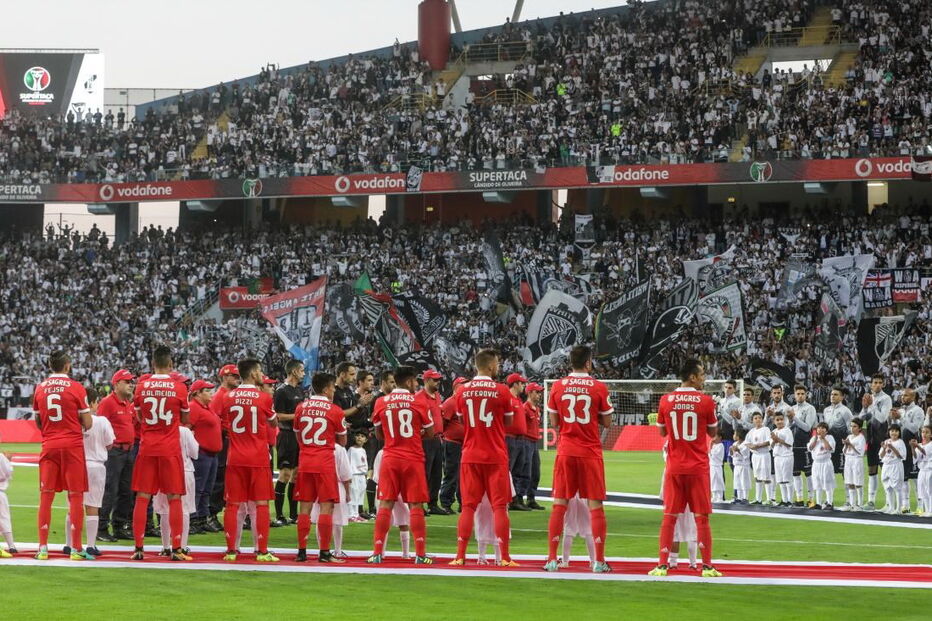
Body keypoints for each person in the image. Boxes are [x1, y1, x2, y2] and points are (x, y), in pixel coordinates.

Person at [543, 345, 613, 574]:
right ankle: (599, 562)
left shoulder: (557, 386)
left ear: (570, 362)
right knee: (595, 506)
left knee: (559, 504)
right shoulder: (598, 387)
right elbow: (607, 422)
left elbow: (554, 422)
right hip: (590, 452)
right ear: (588, 363)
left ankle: (552, 560)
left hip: (566, 450)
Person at [649, 358, 721, 578]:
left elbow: (662, 433)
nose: (704, 378)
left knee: (669, 516)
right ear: (692, 377)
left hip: (675, 466)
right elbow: (713, 433)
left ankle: (662, 565)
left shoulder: (666, 400)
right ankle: (707, 567)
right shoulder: (706, 401)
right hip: (698, 467)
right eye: (702, 375)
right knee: (702, 518)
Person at [449, 349, 518, 567]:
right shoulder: (502, 390)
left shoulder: (462, 392)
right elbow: (508, 422)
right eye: (497, 364)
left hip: (470, 453)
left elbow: (462, 420)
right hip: (495, 454)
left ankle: (460, 556)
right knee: (499, 506)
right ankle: (505, 557)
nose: (499, 367)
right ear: (490, 366)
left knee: (468, 506)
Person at [368, 365, 435, 565]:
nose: (417, 384)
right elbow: (430, 433)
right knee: (415, 504)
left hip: (390, 456)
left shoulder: (381, 402)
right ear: (408, 381)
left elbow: (379, 434)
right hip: (412, 457)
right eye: (415, 381)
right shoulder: (419, 402)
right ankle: (420, 554)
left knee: (385, 503)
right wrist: (416, 434)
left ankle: (377, 552)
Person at [130, 346, 191, 561]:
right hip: (169, 448)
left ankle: (138, 548)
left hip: (148, 447)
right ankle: (176, 548)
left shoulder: (141, 386)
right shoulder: (179, 388)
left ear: (152, 363)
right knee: (175, 498)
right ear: (171, 364)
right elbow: (185, 420)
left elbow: (138, 417)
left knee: (142, 497)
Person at [33, 350, 93, 561]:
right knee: (76, 496)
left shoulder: (39, 388)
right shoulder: (76, 388)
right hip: (72, 446)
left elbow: (39, 421)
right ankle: (76, 549)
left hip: (49, 445)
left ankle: (42, 548)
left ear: (50, 366)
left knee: (46, 496)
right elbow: (88, 423)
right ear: (67, 365)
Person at [218, 358, 279, 563]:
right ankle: (262, 551)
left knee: (232, 504)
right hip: (258, 457)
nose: (262, 375)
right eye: (260, 371)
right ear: (253, 374)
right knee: (261, 504)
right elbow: (273, 422)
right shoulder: (264, 398)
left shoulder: (228, 397)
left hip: (235, 457)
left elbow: (224, 420)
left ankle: (231, 551)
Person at [292, 372, 347, 563]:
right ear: (326, 389)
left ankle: (301, 551)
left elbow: (298, 436)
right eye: (332, 387)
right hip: (324, 462)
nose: (334, 390)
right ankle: (324, 552)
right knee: (327, 506)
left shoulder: (301, 408)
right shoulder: (335, 410)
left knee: (304, 507)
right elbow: (342, 439)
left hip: (306, 460)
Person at [64, 386, 114, 558]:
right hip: (96, 465)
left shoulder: (72, 420)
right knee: (93, 506)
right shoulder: (102, 421)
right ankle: (91, 545)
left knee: (73, 506)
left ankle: (68, 544)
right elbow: (109, 443)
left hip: (75, 464)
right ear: (92, 403)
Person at [96, 369, 136, 542]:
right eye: (127, 381)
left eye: (131, 381)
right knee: (110, 490)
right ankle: (101, 528)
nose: (130, 384)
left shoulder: (127, 403)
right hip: (114, 452)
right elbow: (99, 426)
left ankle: (119, 526)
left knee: (126, 491)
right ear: (117, 383)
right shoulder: (107, 403)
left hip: (127, 451)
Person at [154, 421, 198, 559]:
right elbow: (195, 453)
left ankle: (166, 546)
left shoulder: (157, 429)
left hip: (162, 470)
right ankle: (181, 546)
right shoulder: (184, 431)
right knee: (183, 509)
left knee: (164, 510)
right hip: (184, 470)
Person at [272, 359, 305, 527]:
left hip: (298, 436)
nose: (304, 374)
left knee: (296, 476)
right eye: (302, 371)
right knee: (285, 474)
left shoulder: (300, 390)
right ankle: (279, 515)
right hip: (285, 435)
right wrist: (297, 416)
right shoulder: (281, 391)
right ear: (294, 372)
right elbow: (277, 415)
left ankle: (293, 514)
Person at [208, 364, 240, 531]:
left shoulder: (229, 395)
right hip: (223, 439)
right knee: (219, 479)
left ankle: (214, 512)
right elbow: (214, 420)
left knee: (225, 478)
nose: (237, 378)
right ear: (225, 377)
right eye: (234, 376)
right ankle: (210, 514)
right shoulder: (220, 396)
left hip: (229, 439)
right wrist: (227, 429)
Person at [187, 380, 220, 534]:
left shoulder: (207, 407)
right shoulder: (193, 407)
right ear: (198, 393)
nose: (211, 393)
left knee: (206, 489)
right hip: (202, 454)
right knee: (198, 488)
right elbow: (187, 429)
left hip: (212, 454)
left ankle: (202, 518)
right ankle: (193, 518)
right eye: (207, 390)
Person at [311, 442, 352, 559]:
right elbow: (345, 474)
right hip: (336, 485)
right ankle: (338, 550)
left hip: (319, 485)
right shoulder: (339, 449)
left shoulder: (316, 446)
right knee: (337, 521)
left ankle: (321, 549)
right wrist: (348, 493)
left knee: (320, 518)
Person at [371, 449, 413, 559]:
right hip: (387, 488)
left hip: (393, 489)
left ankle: (404, 554)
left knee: (402, 521)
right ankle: (381, 553)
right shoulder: (382, 453)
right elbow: (377, 474)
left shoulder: (384, 452)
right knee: (385, 522)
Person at [415, 369, 446, 515]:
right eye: (435, 379)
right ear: (426, 380)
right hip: (425, 440)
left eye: (438, 379)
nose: (438, 382)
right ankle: (419, 504)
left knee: (436, 474)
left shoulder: (437, 396)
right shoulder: (419, 397)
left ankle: (433, 503)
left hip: (437, 439)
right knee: (424, 473)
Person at [860, 374, 892, 510]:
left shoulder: (886, 399)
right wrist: (864, 407)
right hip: (872, 439)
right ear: (871, 384)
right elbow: (862, 418)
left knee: (885, 472)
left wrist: (871, 405)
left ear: (883, 384)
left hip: (883, 439)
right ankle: (871, 502)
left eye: (880, 382)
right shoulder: (869, 397)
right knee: (872, 470)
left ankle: (889, 503)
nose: (877, 384)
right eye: (875, 382)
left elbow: (882, 418)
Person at [439, 376, 467, 513]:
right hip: (452, 444)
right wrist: (446, 436)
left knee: (465, 475)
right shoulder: (450, 403)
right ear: (456, 387)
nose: (466, 387)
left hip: (464, 444)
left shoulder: (464, 402)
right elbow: (442, 422)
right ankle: (446, 502)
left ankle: (463, 502)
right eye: (463, 384)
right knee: (451, 474)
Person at [788, 384, 819, 507]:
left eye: (802, 393)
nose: (800, 396)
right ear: (794, 395)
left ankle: (811, 499)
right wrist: (790, 420)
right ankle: (799, 498)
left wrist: (794, 418)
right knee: (795, 473)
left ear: (806, 395)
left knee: (808, 473)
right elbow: (787, 427)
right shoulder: (791, 408)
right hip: (793, 445)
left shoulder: (810, 408)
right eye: (798, 394)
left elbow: (807, 428)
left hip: (805, 445)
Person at [504, 372, 530, 511]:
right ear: (515, 384)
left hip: (520, 440)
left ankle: (514, 500)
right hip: (509, 439)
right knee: (508, 470)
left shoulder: (518, 400)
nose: (524, 386)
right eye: (522, 383)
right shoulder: (507, 399)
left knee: (518, 470)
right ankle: (506, 499)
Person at [899, 388, 925, 513]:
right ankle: (905, 505)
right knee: (904, 479)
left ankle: (920, 506)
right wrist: (893, 419)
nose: (903, 398)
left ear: (913, 397)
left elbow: (915, 428)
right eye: (902, 395)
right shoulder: (900, 410)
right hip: (902, 450)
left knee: (916, 479)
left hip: (913, 448)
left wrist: (901, 418)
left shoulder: (918, 410)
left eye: (906, 396)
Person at [822, 386, 853, 483]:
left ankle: (849, 497)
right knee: (828, 470)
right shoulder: (826, 410)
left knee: (845, 471)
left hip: (840, 444)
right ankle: (829, 496)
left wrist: (848, 442)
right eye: (831, 394)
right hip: (829, 445)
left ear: (842, 397)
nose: (832, 396)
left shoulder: (846, 411)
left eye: (836, 394)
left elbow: (851, 429)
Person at [523, 382, 545, 510]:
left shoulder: (537, 410)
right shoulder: (524, 408)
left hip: (534, 443)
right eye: (537, 392)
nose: (539, 395)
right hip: (526, 442)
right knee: (525, 472)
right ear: (530, 393)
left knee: (536, 472)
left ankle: (531, 498)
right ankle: (519, 498)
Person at [559, 494, 595, 568]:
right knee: (588, 529)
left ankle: (565, 561)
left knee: (568, 527)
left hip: (571, 494)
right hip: (584, 495)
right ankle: (593, 561)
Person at [807, 422, 836, 510]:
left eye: (823, 428)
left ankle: (829, 503)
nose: (820, 430)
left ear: (826, 431)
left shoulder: (830, 438)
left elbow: (830, 448)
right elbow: (810, 448)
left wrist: (823, 439)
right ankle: (819, 503)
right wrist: (816, 439)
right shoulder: (813, 438)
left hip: (826, 463)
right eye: (819, 428)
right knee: (817, 483)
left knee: (827, 483)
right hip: (816, 464)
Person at [746, 412, 773, 505]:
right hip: (755, 456)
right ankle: (758, 499)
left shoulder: (766, 429)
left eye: (759, 418)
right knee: (757, 477)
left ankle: (769, 498)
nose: (758, 419)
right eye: (755, 418)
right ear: (752, 420)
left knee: (766, 477)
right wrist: (751, 446)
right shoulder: (752, 431)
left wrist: (758, 445)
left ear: (762, 419)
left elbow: (769, 441)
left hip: (764, 455)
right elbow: (747, 442)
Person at [878, 424, 906, 515]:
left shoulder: (900, 442)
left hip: (896, 465)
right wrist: (884, 448)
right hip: (886, 465)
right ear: (889, 432)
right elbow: (881, 455)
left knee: (897, 487)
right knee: (887, 487)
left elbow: (901, 456)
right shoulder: (886, 441)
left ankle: (898, 509)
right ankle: (890, 507)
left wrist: (892, 447)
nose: (894, 433)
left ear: (899, 433)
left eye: (896, 431)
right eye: (892, 431)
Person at [841, 419, 867, 511]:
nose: (852, 428)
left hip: (857, 460)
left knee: (858, 482)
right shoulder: (849, 436)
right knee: (850, 482)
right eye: (851, 426)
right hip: (848, 460)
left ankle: (860, 504)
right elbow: (844, 451)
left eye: (855, 426)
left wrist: (850, 444)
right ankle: (852, 504)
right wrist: (846, 444)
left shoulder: (861, 438)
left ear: (859, 428)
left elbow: (861, 452)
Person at [770, 412, 794, 506]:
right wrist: (774, 441)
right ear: (774, 421)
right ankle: (784, 500)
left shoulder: (787, 430)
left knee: (787, 479)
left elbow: (789, 444)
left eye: (781, 419)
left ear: (784, 420)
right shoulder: (774, 431)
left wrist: (778, 439)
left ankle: (790, 500)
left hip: (786, 456)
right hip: (777, 457)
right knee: (780, 480)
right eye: (777, 420)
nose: (780, 421)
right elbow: (771, 446)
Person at [347, 433, 368, 521]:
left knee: (359, 496)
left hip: (362, 476)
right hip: (354, 475)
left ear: (365, 440)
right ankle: (350, 515)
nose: (359, 437)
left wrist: (366, 476)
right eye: (358, 435)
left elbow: (364, 463)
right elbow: (348, 462)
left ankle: (356, 514)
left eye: (362, 436)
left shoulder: (363, 450)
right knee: (353, 495)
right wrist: (348, 475)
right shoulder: (351, 449)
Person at [912, 425, 932, 515]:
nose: (924, 434)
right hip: (922, 470)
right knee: (923, 491)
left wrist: (917, 446)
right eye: (923, 432)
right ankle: (927, 510)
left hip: (930, 470)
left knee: (930, 490)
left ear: (931, 435)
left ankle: (931, 510)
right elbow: (915, 458)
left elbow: (926, 453)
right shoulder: (919, 445)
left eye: (927, 432)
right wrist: (913, 447)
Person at [0, 436, 14, 557]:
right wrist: (7, 460)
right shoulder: (1, 457)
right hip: (0, 492)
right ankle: (11, 546)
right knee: (4, 518)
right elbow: (8, 472)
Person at [729, 428, 751, 504]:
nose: (733, 435)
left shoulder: (745, 444)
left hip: (743, 465)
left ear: (739, 436)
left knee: (744, 481)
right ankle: (739, 497)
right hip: (736, 465)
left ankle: (745, 498)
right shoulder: (734, 444)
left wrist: (738, 450)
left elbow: (746, 455)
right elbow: (732, 455)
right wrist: (731, 451)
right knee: (737, 482)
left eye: (735, 434)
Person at [708, 429, 725, 503]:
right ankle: (714, 496)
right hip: (712, 465)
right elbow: (709, 455)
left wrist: (710, 446)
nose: (714, 438)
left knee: (718, 481)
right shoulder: (714, 445)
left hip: (717, 466)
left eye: (716, 436)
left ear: (720, 437)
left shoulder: (720, 445)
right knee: (713, 481)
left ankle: (720, 497)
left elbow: (715, 455)